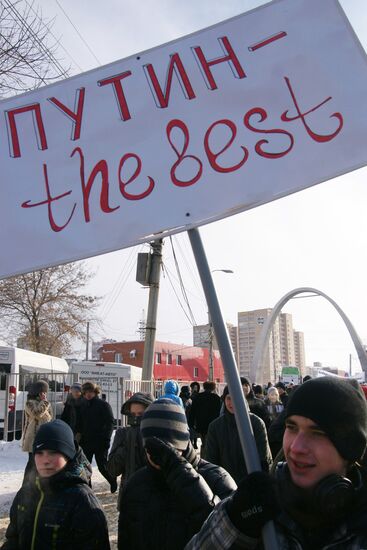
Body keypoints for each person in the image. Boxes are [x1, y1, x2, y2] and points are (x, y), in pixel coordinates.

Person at [186, 377, 367, 549]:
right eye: (292, 427)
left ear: (350, 446)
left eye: (317, 433)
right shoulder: (258, 508)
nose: (296, 447)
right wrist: (234, 523)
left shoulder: (359, 526)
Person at [117, 398, 236, 549]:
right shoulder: (136, 485)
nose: (158, 457)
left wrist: (182, 475)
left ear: (182, 443)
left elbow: (229, 536)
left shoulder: (217, 479)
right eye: (151, 449)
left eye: (168, 449)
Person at [2, 419, 110, 549]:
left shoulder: (82, 501)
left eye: (53, 452)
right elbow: (14, 538)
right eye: (40, 453)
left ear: (68, 454)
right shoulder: (26, 493)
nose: (46, 460)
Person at [205, 385, 272, 483]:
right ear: (224, 400)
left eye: (236, 397)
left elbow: (264, 459)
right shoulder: (215, 427)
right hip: (225, 486)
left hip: (252, 484)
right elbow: (211, 461)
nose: (232, 403)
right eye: (229, 398)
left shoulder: (256, 423)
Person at [107, 391, 154, 509]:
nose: (136, 418)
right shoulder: (122, 434)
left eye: (140, 414)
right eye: (133, 414)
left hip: (152, 498)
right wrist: (126, 446)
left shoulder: (155, 433)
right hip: (128, 499)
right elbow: (112, 469)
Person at [79, 380, 117, 493]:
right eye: (86, 392)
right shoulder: (82, 405)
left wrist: (106, 438)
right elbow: (80, 422)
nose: (88, 394)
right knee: (85, 467)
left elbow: (110, 422)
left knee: (102, 466)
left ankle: (112, 480)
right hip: (86, 441)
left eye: (90, 391)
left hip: (100, 441)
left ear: (95, 392)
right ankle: (88, 489)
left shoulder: (103, 405)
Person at [21, 379, 53, 483]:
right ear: (38, 393)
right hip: (33, 437)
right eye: (43, 392)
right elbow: (37, 414)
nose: (45, 395)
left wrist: (45, 403)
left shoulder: (45, 403)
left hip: (43, 437)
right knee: (32, 463)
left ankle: (37, 485)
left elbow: (50, 417)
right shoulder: (30, 403)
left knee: (41, 463)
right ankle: (26, 486)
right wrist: (44, 402)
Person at [188, 380, 221, 457]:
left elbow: (192, 411)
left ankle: (203, 458)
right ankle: (207, 459)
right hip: (212, 424)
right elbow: (218, 412)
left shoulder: (198, 397)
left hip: (201, 424)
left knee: (204, 442)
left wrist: (191, 423)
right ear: (213, 388)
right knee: (210, 443)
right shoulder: (216, 398)